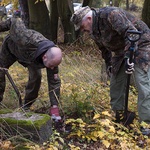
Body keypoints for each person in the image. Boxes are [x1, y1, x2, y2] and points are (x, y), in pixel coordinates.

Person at [70, 6, 150, 136]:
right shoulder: (93, 29)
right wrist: (109, 65)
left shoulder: (111, 15)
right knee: (116, 82)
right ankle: (119, 117)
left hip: (140, 43)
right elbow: (104, 49)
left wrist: (130, 59)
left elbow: (131, 33)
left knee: (143, 84)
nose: (82, 30)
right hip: (120, 50)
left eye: (82, 26)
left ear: (89, 18)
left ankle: (146, 125)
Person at [0, 17, 62, 122]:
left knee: (36, 77)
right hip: (11, 49)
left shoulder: (52, 58)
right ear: (45, 57)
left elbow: (54, 83)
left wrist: (54, 107)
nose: (52, 68)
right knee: (0, 71)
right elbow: (14, 21)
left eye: (53, 66)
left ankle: (27, 105)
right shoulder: (25, 38)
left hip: (32, 59)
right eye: (51, 65)